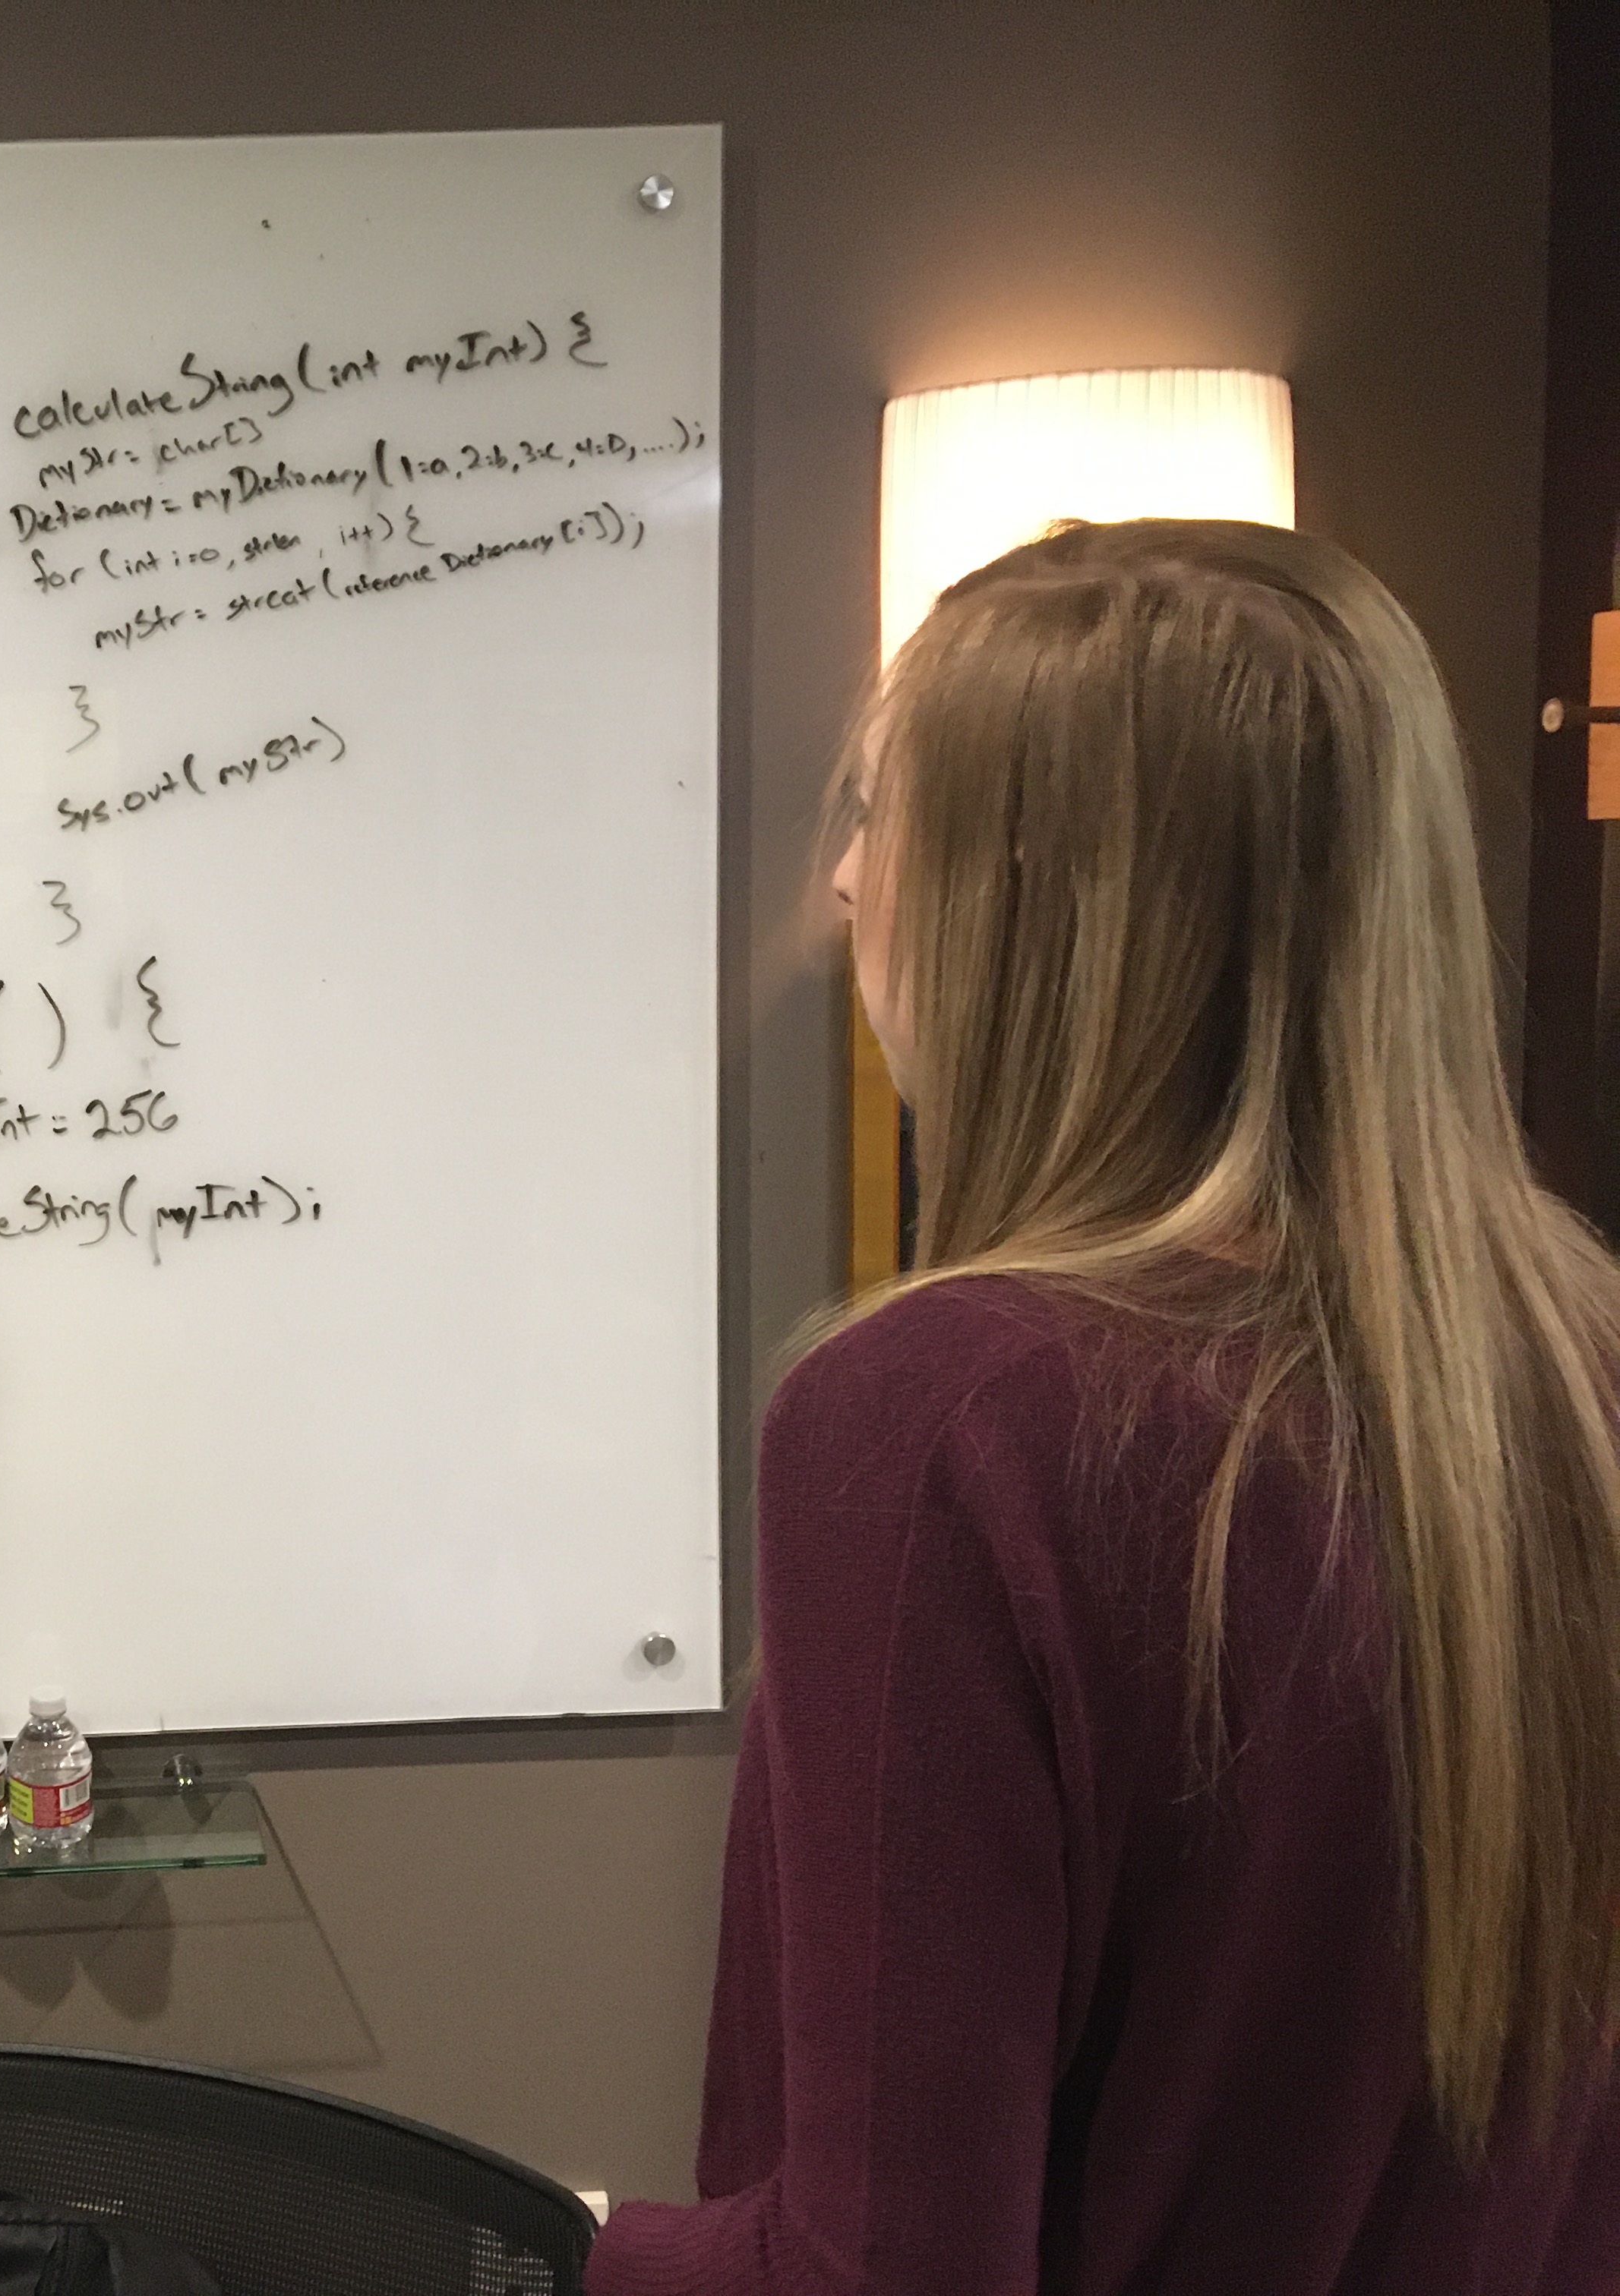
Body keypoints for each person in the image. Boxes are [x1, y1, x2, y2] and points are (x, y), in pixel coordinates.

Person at [587, 519, 1620, 2291]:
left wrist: (549, 2242)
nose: (842, 884)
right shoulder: (1575, 1364)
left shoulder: (942, 1423)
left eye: (880, 811)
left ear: (1035, 897)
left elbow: (881, 2274)